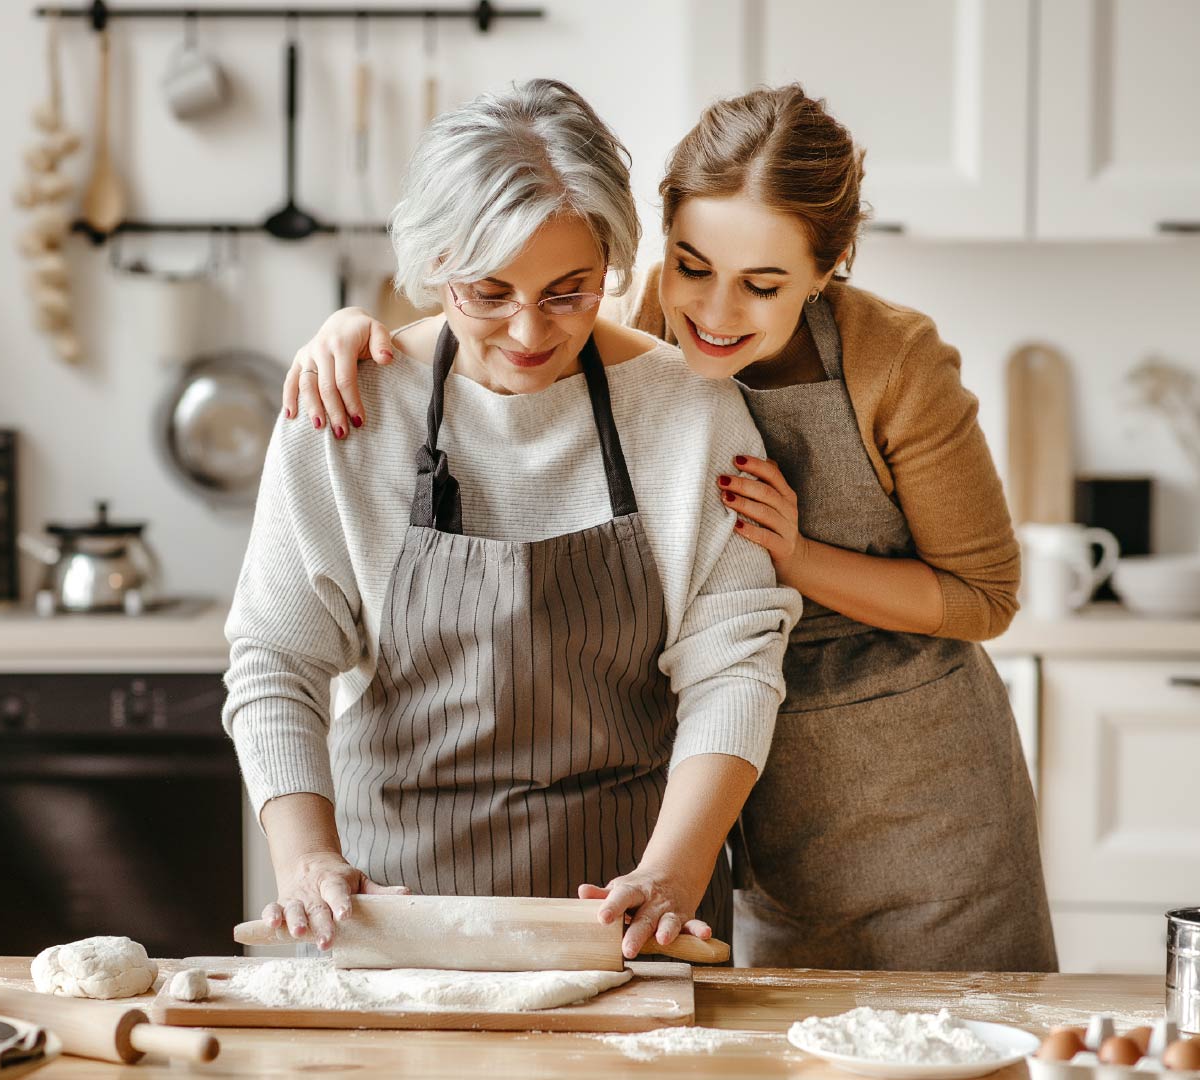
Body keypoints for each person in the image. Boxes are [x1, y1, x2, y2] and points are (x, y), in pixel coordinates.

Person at [278, 84, 1057, 972]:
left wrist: (794, 557)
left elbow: (983, 597)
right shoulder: (645, 332)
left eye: (762, 286)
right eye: (693, 266)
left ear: (831, 266)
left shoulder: (889, 364)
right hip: (746, 796)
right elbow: (509, 312)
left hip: (915, 792)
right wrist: (357, 335)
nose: (716, 314)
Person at [223, 78, 798, 960]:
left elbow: (734, 666)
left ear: (611, 263)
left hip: (626, 919)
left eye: (570, 292)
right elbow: (276, 658)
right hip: (391, 919)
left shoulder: (689, 413)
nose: (529, 332)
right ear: (433, 266)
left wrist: (675, 874)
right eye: (487, 293)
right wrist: (305, 861)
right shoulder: (348, 409)